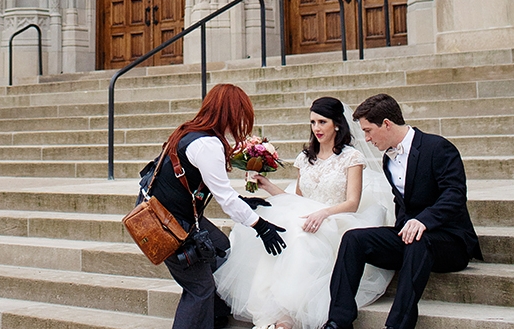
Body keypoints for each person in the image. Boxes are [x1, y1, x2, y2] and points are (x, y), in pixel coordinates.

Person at [215, 96, 393, 329]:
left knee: (300, 238)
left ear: (337, 124)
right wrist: (267, 185)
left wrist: (323, 214)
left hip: (336, 219)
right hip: (305, 217)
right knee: (280, 233)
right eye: (313, 122)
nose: (316, 128)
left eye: (322, 122)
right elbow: (296, 199)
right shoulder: (305, 158)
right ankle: (277, 315)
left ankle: (286, 318)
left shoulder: (351, 157)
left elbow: (352, 203)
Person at [321, 93, 482, 329]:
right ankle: (338, 321)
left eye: (368, 131)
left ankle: (397, 325)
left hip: (451, 241)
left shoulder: (438, 148)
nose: (366, 139)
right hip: (411, 240)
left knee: (419, 239)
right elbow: (403, 204)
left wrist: (423, 221)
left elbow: (454, 195)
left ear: (386, 124)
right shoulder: (388, 160)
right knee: (353, 239)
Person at [148, 83, 287, 329]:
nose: (241, 122)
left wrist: (243, 202)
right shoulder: (207, 144)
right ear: (230, 113)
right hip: (166, 223)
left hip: (165, 212)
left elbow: (210, 185)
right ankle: (203, 315)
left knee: (220, 247)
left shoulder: (189, 131)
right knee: (199, 289)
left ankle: (216, 315)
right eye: (241, 115)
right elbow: (225, 198)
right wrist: (261, 226)